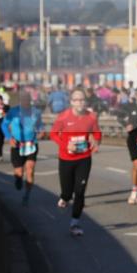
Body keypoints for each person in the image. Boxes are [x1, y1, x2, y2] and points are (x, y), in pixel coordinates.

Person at [50, 88, 102, 236]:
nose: (80, 102)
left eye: (82, 100)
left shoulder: (91, 117)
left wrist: (96, 142)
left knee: (80, 191)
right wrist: (66, 145)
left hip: (84, 159)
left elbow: (96, 132)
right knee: (67, 192)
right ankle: (65, 198)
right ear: (71, 102)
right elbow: (53, 134)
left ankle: (74, 223)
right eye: (77, 100)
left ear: (85, 102)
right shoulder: (63, 117)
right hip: (66, 158)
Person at [1, 90, 44, 206]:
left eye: (27, 100)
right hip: (17, 145)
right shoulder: (13, 112)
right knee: (19, 173)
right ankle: (18, 179)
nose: (26, 102)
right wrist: (10, 138)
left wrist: (40, 131)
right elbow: (4, 125)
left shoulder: (35, 112)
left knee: (30, 170)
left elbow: (40, 124)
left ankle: (27, 195)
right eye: (23, 100)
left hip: (31, 144)